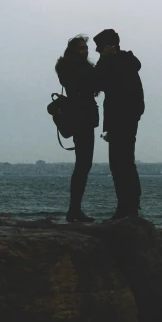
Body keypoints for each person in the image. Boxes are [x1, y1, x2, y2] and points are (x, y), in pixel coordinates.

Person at [93, 29, 145, 220]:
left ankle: (127, 207)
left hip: (121, 118)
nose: (97, 51)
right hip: (125, 117)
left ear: (108, 46)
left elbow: (97, 82)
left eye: (99, 48)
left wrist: (104, 60)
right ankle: (129, 206)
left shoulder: (117, 63)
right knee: (124, 163)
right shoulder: (127, 62)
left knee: (120, 163)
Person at [55, 35, 99, 223]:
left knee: (83, 164)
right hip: (82, 118)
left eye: (86, 48)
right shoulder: (71, 68)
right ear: (73, 50)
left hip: (84, 117)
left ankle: (75, 209)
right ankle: (74, 210)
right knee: (83, 164)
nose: (85, 51)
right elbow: (86, 86)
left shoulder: (75, 68)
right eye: (81, 48)